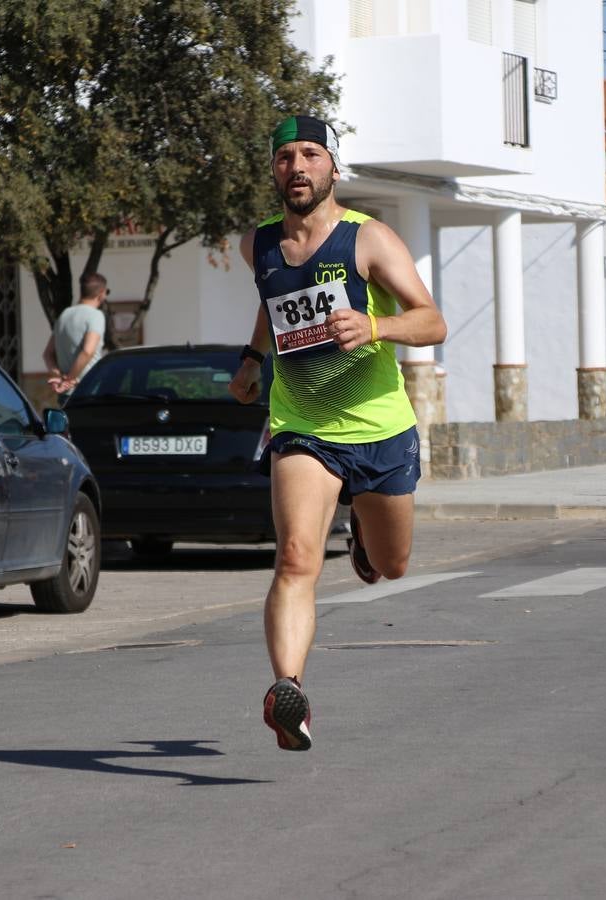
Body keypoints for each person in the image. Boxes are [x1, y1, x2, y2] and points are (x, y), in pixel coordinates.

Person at [229, 114, 447, 751]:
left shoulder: (368, 240)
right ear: (274, 170)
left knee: (394, 564)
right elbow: (275, 308)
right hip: (302, 424)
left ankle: (366, 547)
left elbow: (431, 321)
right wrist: (250, 358)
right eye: (285, 158)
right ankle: (288, 691)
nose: (297, 167)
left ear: (332, 168)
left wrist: (375, 329)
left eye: (310, 155)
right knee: (296, 559)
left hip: (380, 426)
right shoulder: (259, 246)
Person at [43, 273, 109, 400]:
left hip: (65, 394)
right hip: (89, 389)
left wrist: (57, 376)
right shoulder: (95, 315)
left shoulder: (64, 315)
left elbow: (47, 354)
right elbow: (88, 351)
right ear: (101, 293)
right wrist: (69, 379)